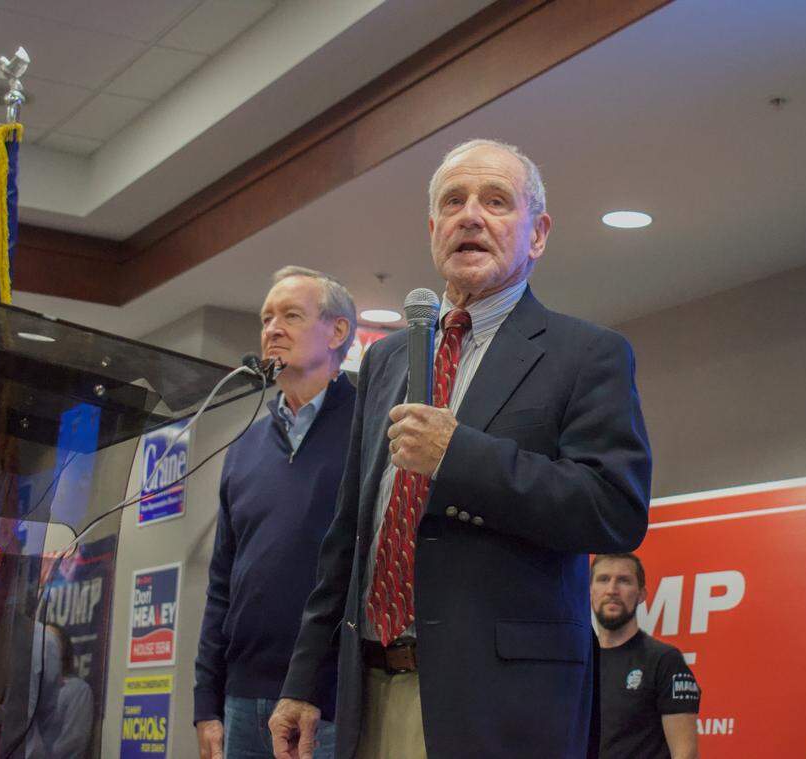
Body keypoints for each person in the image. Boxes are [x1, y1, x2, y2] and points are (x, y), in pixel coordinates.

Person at [270, 138, 653, 759]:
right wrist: (304, 681)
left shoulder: (587, 355)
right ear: (433, 231)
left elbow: (614, 509)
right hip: (371, 689)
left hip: (501, 707)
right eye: (453, 202)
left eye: (496, 201)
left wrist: (459, 456)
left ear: (537, 234)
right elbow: (350, 534)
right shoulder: (387, 359)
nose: (470, 215)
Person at [193, 266, 358, 759]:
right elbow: (221, 583)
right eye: (266, 318)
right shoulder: (243, 449)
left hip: (330, 698)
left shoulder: (370, 428)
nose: (272, 329)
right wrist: (206, 702)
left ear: (337, 331)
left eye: (291, 316)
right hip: (242, 699)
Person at [591, 553, 700, 759]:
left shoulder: (664, 660)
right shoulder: (582, 664)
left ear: (641, 594)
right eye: (603, 579)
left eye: (624, 580)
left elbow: (686, 754)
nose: (612, 590)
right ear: (590, 591)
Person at [40, 623, 95, 758]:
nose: (45, 646)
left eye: (51, 641)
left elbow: (72, 743)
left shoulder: (78, 690)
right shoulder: (31, 688)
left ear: (63, 650)